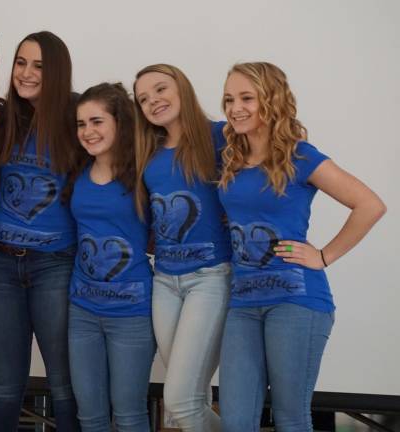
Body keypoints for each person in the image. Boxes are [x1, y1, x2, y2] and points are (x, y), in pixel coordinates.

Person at [217, 62, 386, 432]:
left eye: (247, 98)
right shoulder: (231, 158)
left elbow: (370, 205)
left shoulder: (300, 155)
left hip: (296, 301)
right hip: (242, 303)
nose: (235, 108)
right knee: (234, 421)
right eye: (229, 99)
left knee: (291, 418)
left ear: (272, 100)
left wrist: (324, 256)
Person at [0, 31, 80, 432]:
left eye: (38, 65)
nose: (27, 72)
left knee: (65, 386)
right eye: (21, 62)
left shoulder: (78, 115)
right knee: (2, 388)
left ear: (57, 71)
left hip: (56, 265)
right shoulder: (0, 117)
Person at [133, 64, 231, 431]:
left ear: (182, 88)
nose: (153, 101)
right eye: (144, 99)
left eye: (160, 90)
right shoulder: (150, 152)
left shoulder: (220, 136)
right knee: (187, 401)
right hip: (164, 281)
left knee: (179, 400)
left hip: (210, 278)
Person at [67, 83, 156, 431]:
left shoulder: (146, 173)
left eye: (97, 121)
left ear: (120, 122)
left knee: (129, 414)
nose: (88, 132)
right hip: (82, 312)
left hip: (132, 314)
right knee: (90, 416)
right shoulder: (77, 173)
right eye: (81, 124)